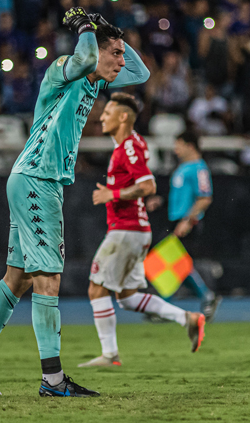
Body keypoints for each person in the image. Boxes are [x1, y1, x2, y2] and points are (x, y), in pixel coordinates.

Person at [0, 8, 150, 397]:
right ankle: (53, 380)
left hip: (36, 181)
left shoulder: (94, 83)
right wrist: (86, 31)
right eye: (116, 54)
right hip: (37, 179)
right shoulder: (65, 69)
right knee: (48, 279)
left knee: (18, 277)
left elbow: (140, 74)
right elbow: (82, 58)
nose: (122, 62)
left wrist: (106, 29)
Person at [79, 92, 205, 368]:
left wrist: (113, 194)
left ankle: (110, 354)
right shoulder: (128, 145)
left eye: (108, 112)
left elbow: (148, 186)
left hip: (126, 230)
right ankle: (188, 318)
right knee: (127, 297)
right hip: (134, 230)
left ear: (123, 116)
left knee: (96, 289)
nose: (101, 116)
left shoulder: (129, 147)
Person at [148, 131, 221, 320]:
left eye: (178, 144)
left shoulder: (199, 168)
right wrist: (161, 200)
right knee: (176, 263)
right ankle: (201, 297)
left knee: (174, 262)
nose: (175, 149)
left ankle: (168, 305)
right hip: (176, 219)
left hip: (188, 221)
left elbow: (205, 198)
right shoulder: (183, 167)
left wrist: (188, 220)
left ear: (190, 146)